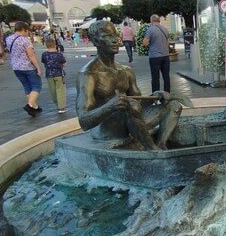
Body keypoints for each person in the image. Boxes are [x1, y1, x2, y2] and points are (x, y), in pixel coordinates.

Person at [76, 20, 182, 150]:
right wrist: (110, 107)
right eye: (107, 36)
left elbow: (139, 102)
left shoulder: (126, 70)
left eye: (115, 35)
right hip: (106, 129)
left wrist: (154, 96)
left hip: (131, 120)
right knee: (130, 106)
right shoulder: (88, 74)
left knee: (174, 105)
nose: (115, 40)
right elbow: (84, 121)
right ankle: (153, 151)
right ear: (95, 41)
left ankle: (161, 144)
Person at [5, 21, 43, 116]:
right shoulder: (25, 40)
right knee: (36, 86)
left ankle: (35, 107)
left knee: (27, 86)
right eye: (27, 31)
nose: (28, 33)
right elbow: (31, 55)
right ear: (23, 29)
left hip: (16, 67)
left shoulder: (8, 39)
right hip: (28, 67)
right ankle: (30, 105)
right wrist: (38, 67)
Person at [142, 14, 171, 93]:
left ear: (151, 21)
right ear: (159, 20)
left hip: (155, 57)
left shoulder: (150, 29)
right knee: (166, 77)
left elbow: (145, 43)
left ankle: (155, 96)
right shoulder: (165, 29)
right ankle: (167, 94)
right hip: (165, 56)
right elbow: (167, 42)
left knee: (155, 78)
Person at [41, 37, 68, 114]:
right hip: (58, 74)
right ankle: (61, 107)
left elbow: (44, 62)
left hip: (49, 74)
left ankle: (57, 103)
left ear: (46, 46)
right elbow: (65, 64)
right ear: (55, 45)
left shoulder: (44, 54)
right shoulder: (59, 54)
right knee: (60, 90)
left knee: (52, 91)